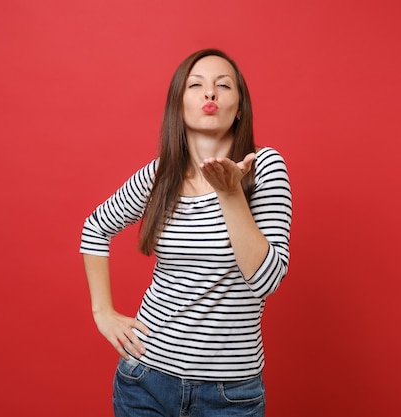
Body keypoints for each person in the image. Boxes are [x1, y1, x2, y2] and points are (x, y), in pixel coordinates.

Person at [80, 48, 292, 417]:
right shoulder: (161, 174)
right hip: (145, 377)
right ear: (179, 105)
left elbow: (267, 281)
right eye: (196, 85)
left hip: (229, 394)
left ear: (239, 107)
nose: (210, 93)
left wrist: (230, 194)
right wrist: (103, 312)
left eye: (223, 85)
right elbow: (95, 227)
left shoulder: (265, 166)